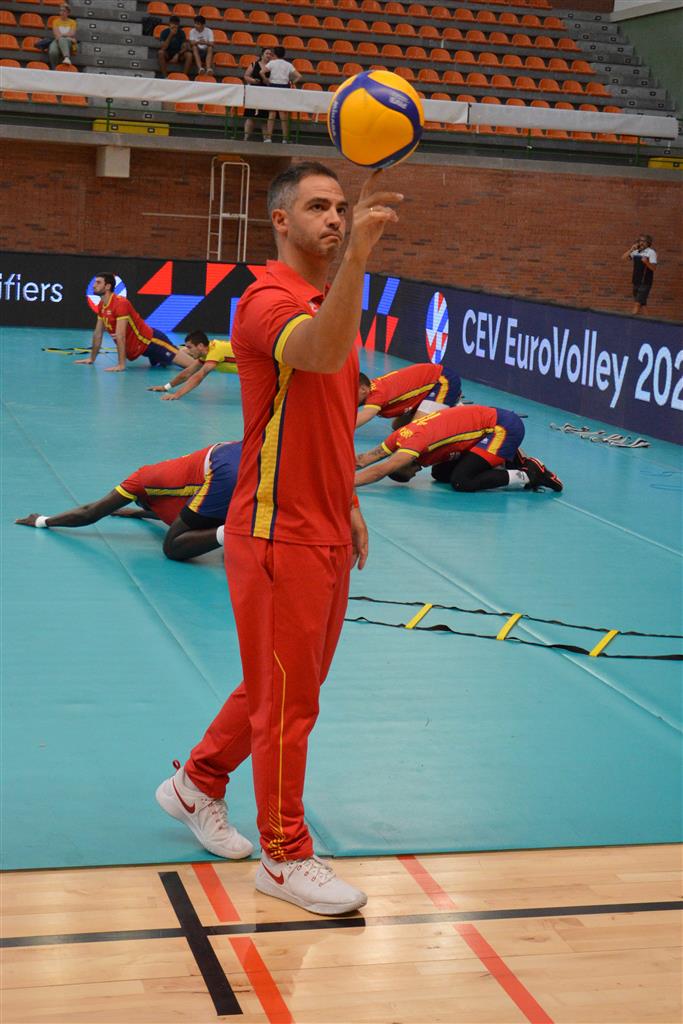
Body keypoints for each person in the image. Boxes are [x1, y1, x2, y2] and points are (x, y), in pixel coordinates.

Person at [155, 161, 402, 915]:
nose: (335, 219)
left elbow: (331, 414)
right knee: (287, 704)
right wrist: (360, 255)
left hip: (323, 524)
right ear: (280, 221)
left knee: (285, 688)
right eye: (319, 207)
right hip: (275, 532)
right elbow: (319, 354)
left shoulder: (328, 299)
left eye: (341, 208)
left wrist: (347, 500)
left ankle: (196, 783)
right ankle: (284, 857)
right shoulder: (266, 300)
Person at [15, 442, 242, 562]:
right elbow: (172, 511)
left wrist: (43, 521)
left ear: (143, 498)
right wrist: (136, 514)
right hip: (238, 451)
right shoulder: (171, 489)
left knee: (173, 547)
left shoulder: (140, 480)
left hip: (225, 469)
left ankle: (234, 531)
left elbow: (90, 512)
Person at [355, 405, 563, 492]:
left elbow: (380, 470)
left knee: (461, 481)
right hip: (486, 425)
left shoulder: (415, 445)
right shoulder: (399, 437)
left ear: (404, 462)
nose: (418, 471)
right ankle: (509, 457)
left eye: (412, 471)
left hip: (503, 428)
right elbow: (364, 459)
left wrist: (347, 485)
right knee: (439, 473)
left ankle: (528, 474)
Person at [76, 273, 194, 372]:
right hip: (144, 350)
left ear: (107, 286)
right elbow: (97, 334)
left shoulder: (120, 304)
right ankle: (188, 351)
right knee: (169, 359)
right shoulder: (102, 305)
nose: (94, 285)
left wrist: (121, 365)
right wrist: (92, 358)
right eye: (95, 282)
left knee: (193, 366)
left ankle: (202, 354)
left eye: (98, 282)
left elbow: (120, 335)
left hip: (153, 343)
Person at [356, 363, 462, 429]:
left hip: (443, 381)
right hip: (423, 390)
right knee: (398, 426)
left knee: (414, 431)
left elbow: (365, 415)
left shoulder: (377, 395)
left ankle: (453, 409)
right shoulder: (369, 387)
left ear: (364, 389)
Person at [148, 331, 238, 401]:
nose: (187, 351)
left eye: (190, 347)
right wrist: (165, 387)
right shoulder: (206, 351)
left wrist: (177, 395)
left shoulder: (215, 352)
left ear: (200, 346)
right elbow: (188, 372)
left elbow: (199, 376)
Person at [263, 46, 302, 144]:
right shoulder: (288, 65)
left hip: (273, 87)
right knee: (283, 114)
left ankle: (268, 138)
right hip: (284, 88)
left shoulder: (272, 63)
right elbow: (299, 76)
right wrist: (292, 83)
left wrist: (266, 80)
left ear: (274, 54)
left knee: (271, 113)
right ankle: (285, 139)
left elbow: (261, 72)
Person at [243, 47, 274, 142]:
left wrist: (268, 81)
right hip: (254, 92)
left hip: (267, 93)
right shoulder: (254, 64)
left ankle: (266, 139)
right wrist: (253, 80)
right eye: (267, 53)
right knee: (251, 117)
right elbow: (246, 76)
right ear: (262, 55)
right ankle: (246, 138)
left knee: (264, 118)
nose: (268, 55)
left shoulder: (272, 66)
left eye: (270, 54)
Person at [622, 234, 657, 316]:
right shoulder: (636, 251)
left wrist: (646, 262)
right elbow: (623, 258)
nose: (641, 243)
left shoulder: (651, 252)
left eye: (644, 241)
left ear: (648, 243)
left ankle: (630, 320)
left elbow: (654, 268)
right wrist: (631, 249)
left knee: (637, 304)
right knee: (642, 304)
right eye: (640, 241)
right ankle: (649, 322)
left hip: (645, 282)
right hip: (636, 281)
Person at [49, 3, 77, 68]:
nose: (62, 12)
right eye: (61, 10)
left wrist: (62, 36)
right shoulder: (55, 21)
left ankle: (66, 57)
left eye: (64, 11)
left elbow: (72, 33)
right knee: (53, 51)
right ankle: (54, 68)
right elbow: (57, 34)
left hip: (69, 42)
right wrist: (68, 37)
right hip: (59, 40)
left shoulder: (73, 22)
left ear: (68, 13)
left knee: (62, 39)